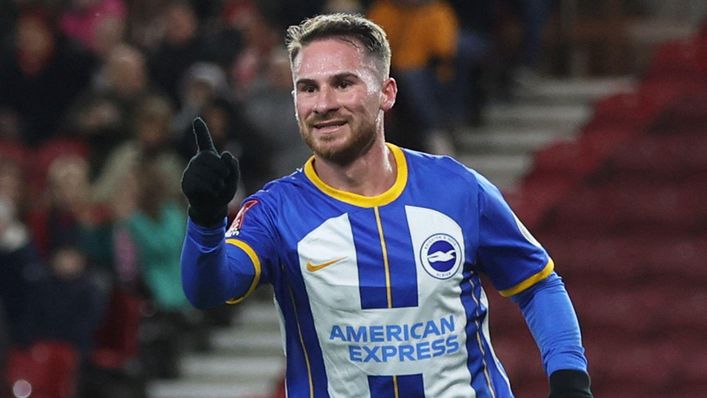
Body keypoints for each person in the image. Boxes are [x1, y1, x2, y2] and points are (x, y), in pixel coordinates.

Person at [180, 13, 592, 397]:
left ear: (386, 93)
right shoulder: (274, 211)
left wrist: (570, 379)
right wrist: (205, 220)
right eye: (308, 88)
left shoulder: (458, 190)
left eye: (343, 83)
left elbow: (538, 284)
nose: (323, 104)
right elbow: (208, 290)